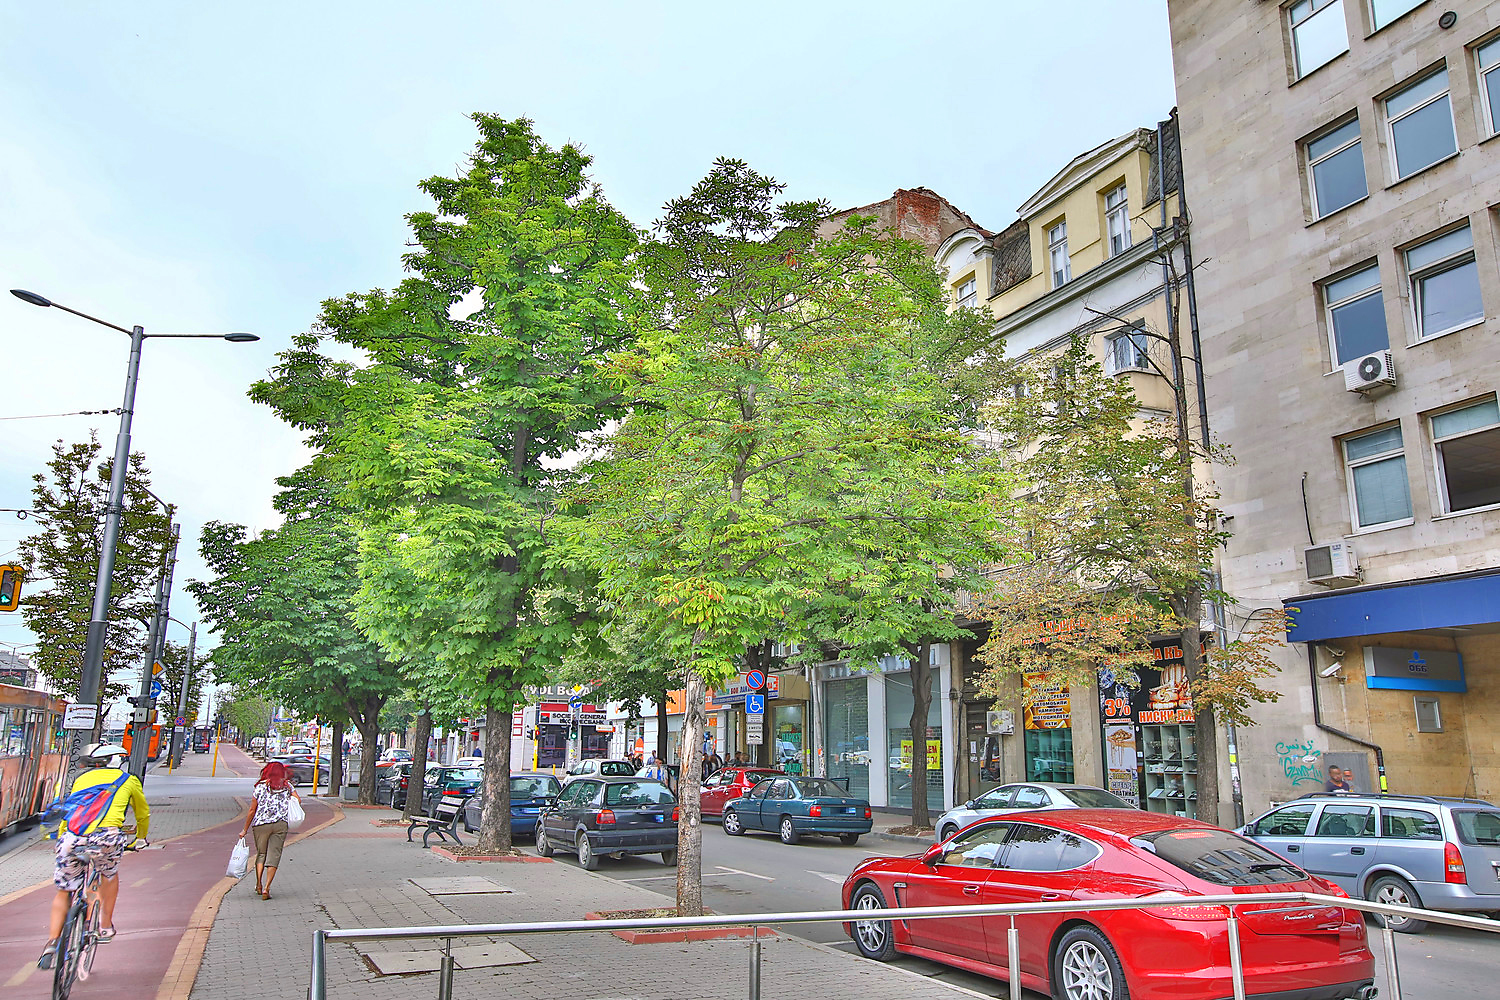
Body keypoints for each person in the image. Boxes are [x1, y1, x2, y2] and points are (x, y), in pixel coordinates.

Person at [38, 742, 149, 969]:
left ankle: (51, 943)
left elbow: (71, 812)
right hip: (106, 839)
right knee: (108, 874)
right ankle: (104, 925)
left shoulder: (82, 779)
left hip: (73, 837)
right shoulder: (129, 780)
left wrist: (63, 839)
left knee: (64, 890)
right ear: (118, 761)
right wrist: (140, 838)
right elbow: (142, 813)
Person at [240, 761, 299, 899]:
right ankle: (267, 887)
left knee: (261, 854)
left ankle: (258, 884)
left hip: (261, 824)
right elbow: (298, 800)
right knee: (274, 855)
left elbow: (252, 810)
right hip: (280, 824)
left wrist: (244, 829)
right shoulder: (287, 786)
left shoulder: (260, 787)